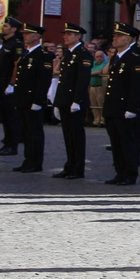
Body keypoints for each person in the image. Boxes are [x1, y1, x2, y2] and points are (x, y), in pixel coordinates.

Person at [102, 23, 140, 185]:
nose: (114, 38)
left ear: (127, 39)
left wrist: (132, 108)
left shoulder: (134, 58)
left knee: (128, 142)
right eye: (114, 36)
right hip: (113, 107)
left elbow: (137, 85)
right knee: (116, 142)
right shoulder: (117, 57)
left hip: (125, 108)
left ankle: (130, 173)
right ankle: (119, 171)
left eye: (118, 36)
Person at [52, 22, 92, 178]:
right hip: (65, 100)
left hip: (75, 102)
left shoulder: (83, 54)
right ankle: (70, 165)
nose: (65, 37)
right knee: (68, 135)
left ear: (77, 36)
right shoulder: (69, 53)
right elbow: (64, 80)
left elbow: (82, 80)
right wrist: (58, 102)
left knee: (76, 136)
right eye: (65, 34)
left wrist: (77, 100)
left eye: (69, 34)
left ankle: (78, 167)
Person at [11, 22, 53, 173]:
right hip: (23, 99)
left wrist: (38, 100)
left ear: (37, 36)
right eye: (24, 34)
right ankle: (28, 159)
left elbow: (43, 80)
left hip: (33, 100)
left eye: (28, 34)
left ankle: (35, 162)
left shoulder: (43, 56)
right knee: (26, 132)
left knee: (34, 132)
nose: (25, 36)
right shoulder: (25, 54)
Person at [0, 16, 21, 156]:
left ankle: (12, 145)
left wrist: (12, 83)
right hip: (2, 81)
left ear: (13, 29)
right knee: (3, 114)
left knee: (11, 115)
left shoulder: (16, 44)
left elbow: (17, 65)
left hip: (9, 82)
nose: (3, 27)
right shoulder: (6, 43)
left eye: (5, 26)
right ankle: (7, 142)